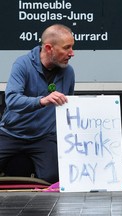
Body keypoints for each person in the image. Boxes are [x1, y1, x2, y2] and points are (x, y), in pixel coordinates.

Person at [0, 24, 75, 183]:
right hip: (11, 133)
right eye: (66, 48)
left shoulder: (68, 72)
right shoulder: (22, 65)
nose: (72, 53)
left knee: (53, 180)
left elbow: (68, 108)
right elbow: (12, 100)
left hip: (43, 138)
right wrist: (42, 101)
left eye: (72, 47)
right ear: (49, 48)